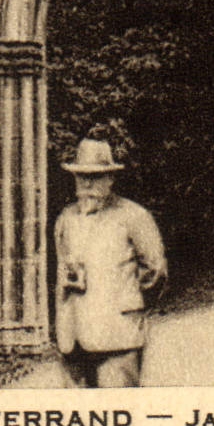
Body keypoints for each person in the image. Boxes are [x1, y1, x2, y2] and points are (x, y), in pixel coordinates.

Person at [53, 138, 167, 388]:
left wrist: (128, 304)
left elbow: (155, 271)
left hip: (118, 337)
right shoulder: (66, 218)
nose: (87, 183)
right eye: (81, 176)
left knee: (117, 415)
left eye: (95, 176)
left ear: (111, 179)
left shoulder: (133, 216)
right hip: (73, 338)